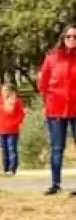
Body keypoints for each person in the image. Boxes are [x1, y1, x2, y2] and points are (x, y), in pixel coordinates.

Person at [37, 24, 76, 196]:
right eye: (69, 36)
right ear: (63, 38)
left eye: (75, 37)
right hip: (56, 109)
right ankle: (55, 184)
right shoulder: (52, 57)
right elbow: (43, 83)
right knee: (57, 148)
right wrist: (47, 102)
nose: (72, 39)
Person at [0, 83, 25, 176]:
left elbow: (21, 114)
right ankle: (5, 169)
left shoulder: (17, 101)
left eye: (6, 90)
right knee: (4, 150)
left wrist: (17, 123)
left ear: (12, 91)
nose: (4, 92)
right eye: (3, 90)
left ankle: (12, 169)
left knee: (12, 149)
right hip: (1, 129)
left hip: (12, 130)